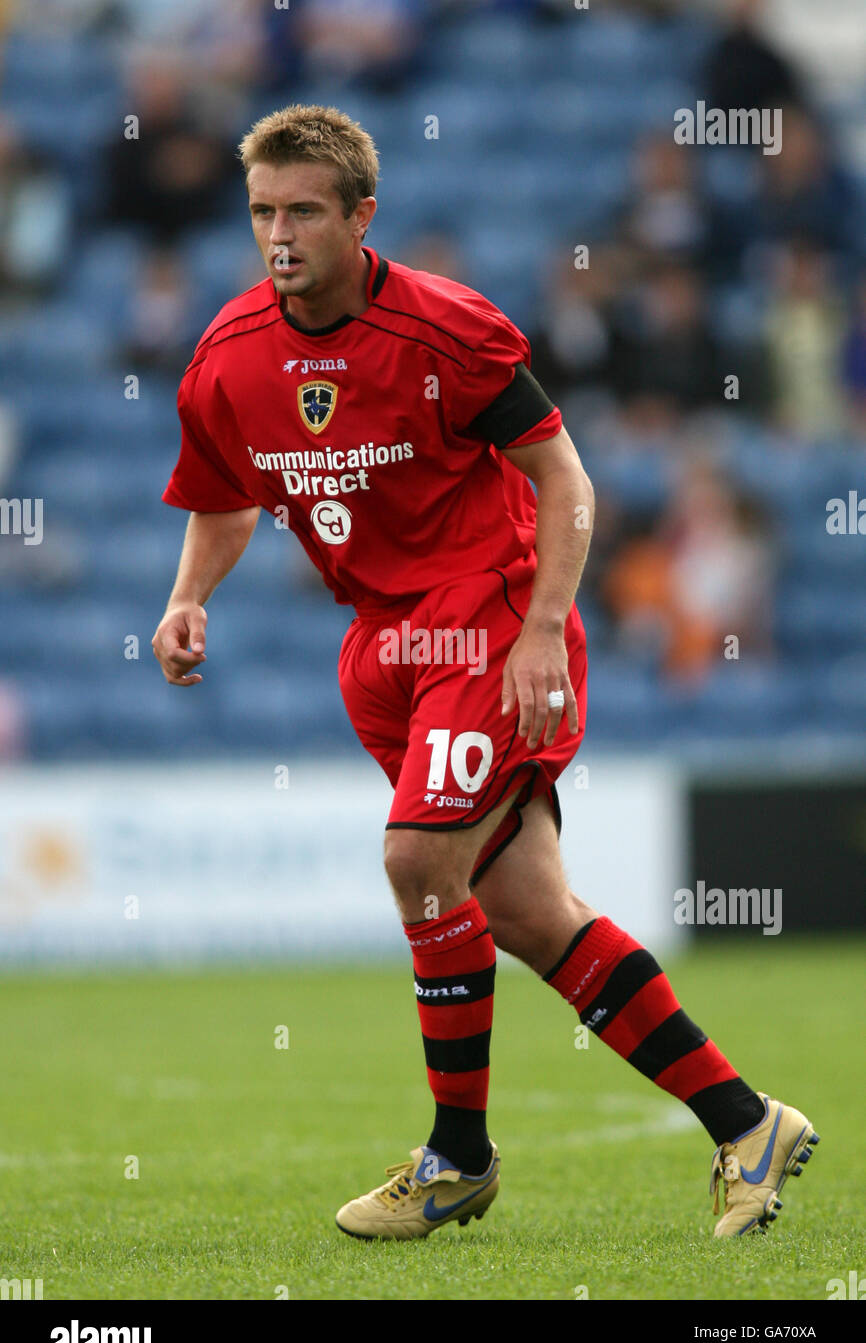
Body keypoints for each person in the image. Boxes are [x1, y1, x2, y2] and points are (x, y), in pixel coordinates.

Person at [152, 104, 818, 1240]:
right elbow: (223, 499)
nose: (278, 234)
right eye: (262, 210)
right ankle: (744, 1121)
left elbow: (564, 480)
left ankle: (455, 1157)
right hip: (380, 647)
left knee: (418, 858)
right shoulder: (225, 360)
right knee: (523, 913)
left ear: (362, 216)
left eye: (303, 211)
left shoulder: (450, 330)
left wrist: (543, 626)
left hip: (489, 619)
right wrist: (185, 597)